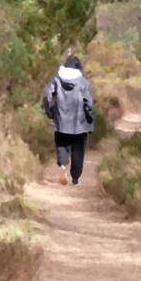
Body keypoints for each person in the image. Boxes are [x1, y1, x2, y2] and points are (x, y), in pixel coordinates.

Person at [42, 54, 96, 186]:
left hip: (61, 122)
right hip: (79, 124)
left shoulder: (57, 79)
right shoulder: (83, 82)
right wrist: (90, 118)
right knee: (78, 151)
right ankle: (76, 178)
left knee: (62, 146)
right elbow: (88, 103)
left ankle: (62, 167)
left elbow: (47, 96)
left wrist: (50, 112)